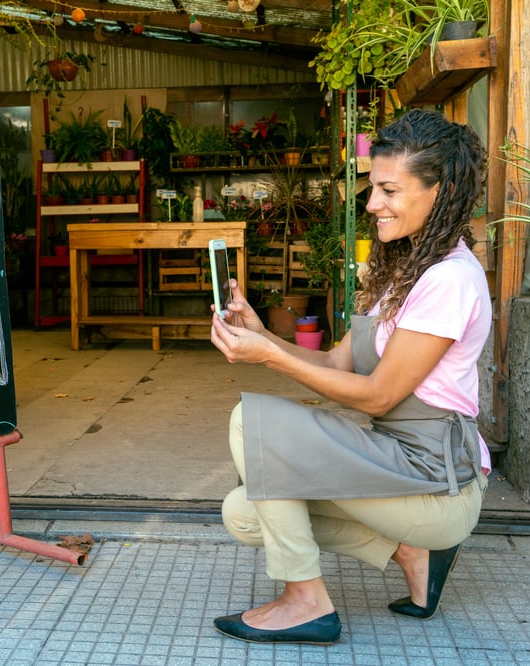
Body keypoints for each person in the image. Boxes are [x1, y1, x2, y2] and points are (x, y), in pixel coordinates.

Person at [208, 109, 492, 646]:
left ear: (443, 191)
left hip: (434, 477)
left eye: (389, 190)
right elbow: (339, 365)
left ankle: (305, 601)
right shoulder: (407, 269)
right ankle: (411, 552)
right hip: (389, 460)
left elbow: (380, 396)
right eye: (372, 188)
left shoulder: (448, 279)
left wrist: (267, 359)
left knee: (254, 424)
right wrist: (263, 335)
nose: (372, 203)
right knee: (243, 512)